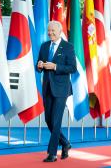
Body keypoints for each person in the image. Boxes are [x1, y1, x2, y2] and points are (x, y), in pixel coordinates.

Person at [37, 21, 76, 162]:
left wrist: (55, 67)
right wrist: (40, 65)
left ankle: (52, 153)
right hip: (47, 88)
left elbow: (72, 68)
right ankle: (65, 143)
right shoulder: (44, 46)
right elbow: (38, 65)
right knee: (48, 120)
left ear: (60, 31)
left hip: (61, 89)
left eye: (53, 30)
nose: (50, 33)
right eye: (49, 30)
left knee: (56, 120)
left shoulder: (68, 47)